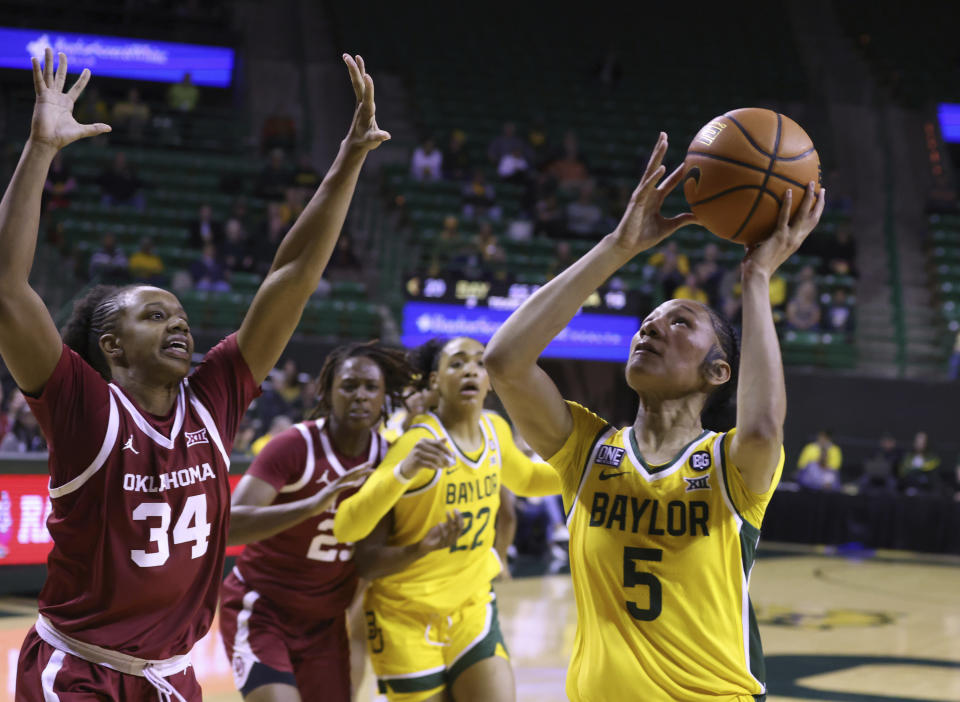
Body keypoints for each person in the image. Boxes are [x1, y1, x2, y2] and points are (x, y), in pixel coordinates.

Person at [5, 49, 388, 701]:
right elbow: (8, 290)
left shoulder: (215, 396)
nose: (180, 326)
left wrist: (349, 159)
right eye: (155, 315)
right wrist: (40, 149)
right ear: (112, 346)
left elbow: (290, 276)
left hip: (172, 676)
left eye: (180, 315)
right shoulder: (83, 406)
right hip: (77, 671)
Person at [483, 132, 825, 700]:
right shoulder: (587, 452)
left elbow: (763, 426)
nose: (651, 327)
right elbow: (505, 362)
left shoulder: (729, 464)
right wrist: (619, 247)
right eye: (649, 320)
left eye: (681, 323)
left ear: (719, 373)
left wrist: (756, 278)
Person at [333, 336, 562, 702]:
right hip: (405, 614)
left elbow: (529, 480)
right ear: (435, 380)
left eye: (479, 363)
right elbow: (346, 526)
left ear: (489, 380)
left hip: (471, 606)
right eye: (456, 363)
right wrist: (404, 472)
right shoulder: (414, 443)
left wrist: (589, 469)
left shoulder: (495, 429)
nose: (470, 369)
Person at [220, 342, 451, 702]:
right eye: (349, 385)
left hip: (325, 624)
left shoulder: (386, 460)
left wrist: (419, 549)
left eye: (370, 388)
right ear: (327, 391)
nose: (360, 396)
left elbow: (368, 560)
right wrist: (310, 507)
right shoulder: (294, 445)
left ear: (382, 397)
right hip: (263, 609)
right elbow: (228, 525)